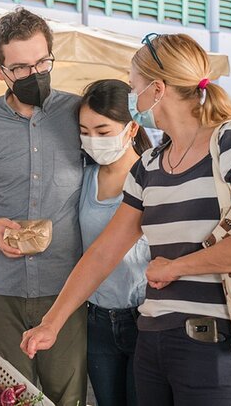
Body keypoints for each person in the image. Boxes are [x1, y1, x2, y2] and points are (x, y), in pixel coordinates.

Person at [21, 33, 231, 406]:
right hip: (153, 343)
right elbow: (102, 253)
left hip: (217, 348)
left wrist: (176, 267)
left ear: (158, 89)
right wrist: (53, 322)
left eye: (134, 87)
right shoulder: (150, 165)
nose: (132, 97)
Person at [0, 7, 87, 405]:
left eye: (43, 62)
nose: (36, 74)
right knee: (11, 396)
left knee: (68, 396)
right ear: (0, 71)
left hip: (65, 289)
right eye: (22, 67)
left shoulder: (77, 113)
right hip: (1, 288)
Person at [78, 79, 152, 406]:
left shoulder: (154, 177)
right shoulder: (84, 178)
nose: (92, 140)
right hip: (96, 321)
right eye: (85, 131)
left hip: (145, 318)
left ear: (132, 128)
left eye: (103, 131)